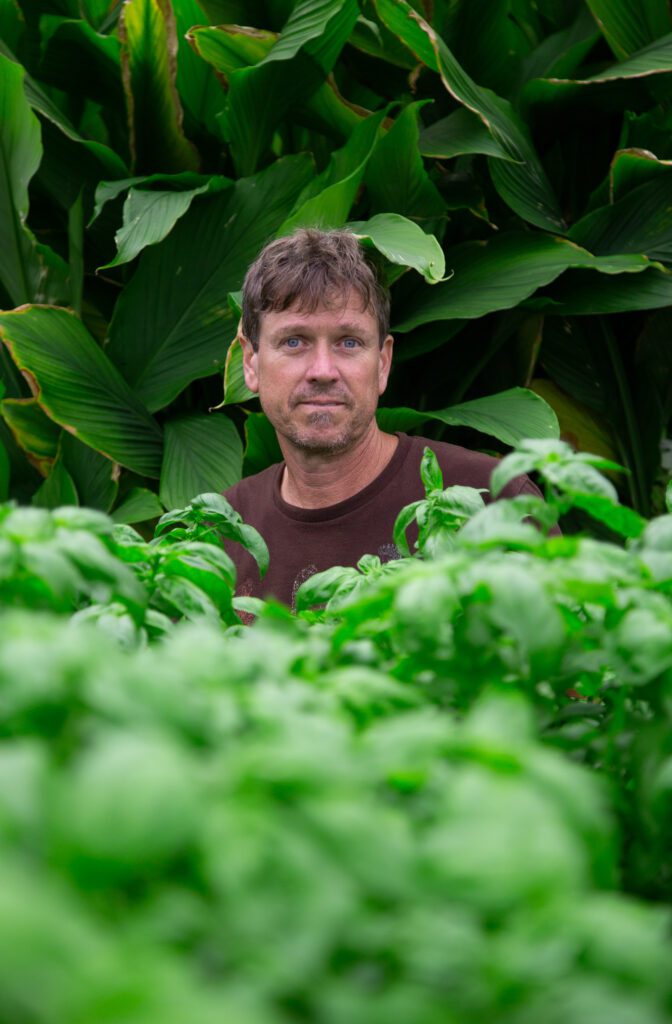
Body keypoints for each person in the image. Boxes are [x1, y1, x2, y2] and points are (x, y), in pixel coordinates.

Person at [223, 228, 549, 608]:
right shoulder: (217, 534)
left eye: (349, 342)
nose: (323, 370)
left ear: (382, 363)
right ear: (250, 361)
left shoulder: (493, 503)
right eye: (294, 341)